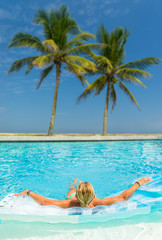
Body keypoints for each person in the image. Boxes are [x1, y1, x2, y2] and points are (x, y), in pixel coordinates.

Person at [14, 177, 152, 208]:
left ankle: (74, 183)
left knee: (71, 190)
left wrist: (28, 192)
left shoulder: (70, 202)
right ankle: (78, 183)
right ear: (93, 194)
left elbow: (44, 202)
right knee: (75, 188)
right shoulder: (98, 202)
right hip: (84, 196)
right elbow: (123, 197)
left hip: (76, 196)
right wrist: (139, 183)